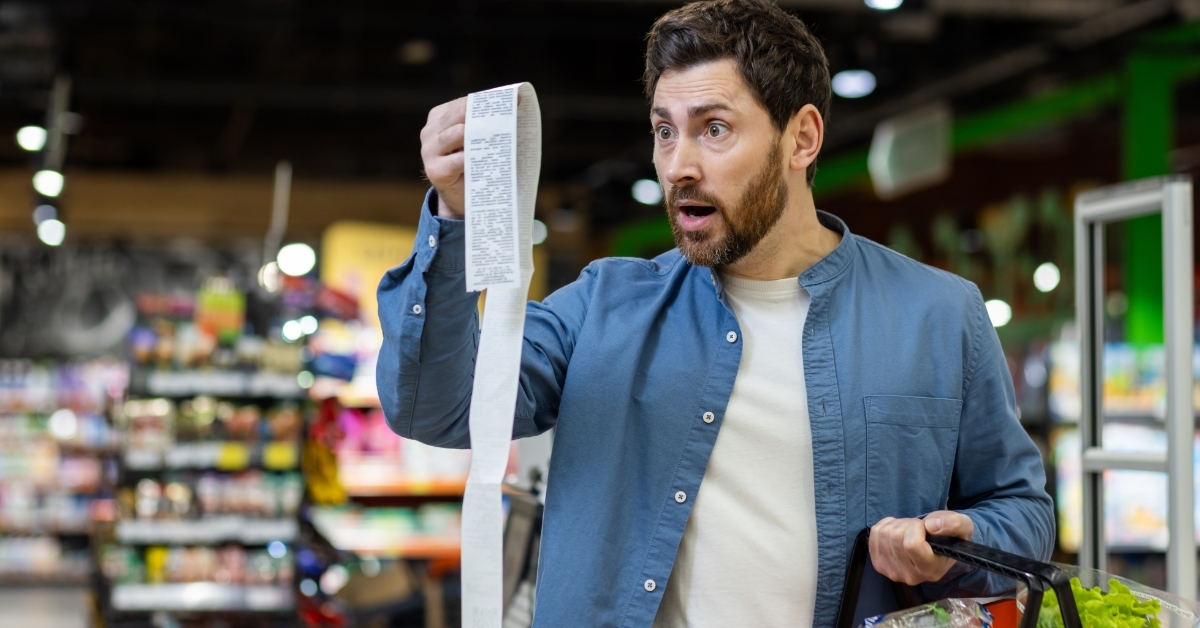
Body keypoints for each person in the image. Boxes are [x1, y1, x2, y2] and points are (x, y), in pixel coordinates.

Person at [376, 0, 1054, 626]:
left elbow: (1021, 511)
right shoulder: (601, 305)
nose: (679, 165)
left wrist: (958, 546)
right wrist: (456, 218)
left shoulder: (937, 314)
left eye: (715, 129)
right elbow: (434, 407)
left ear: (802, 138)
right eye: (665, 132)